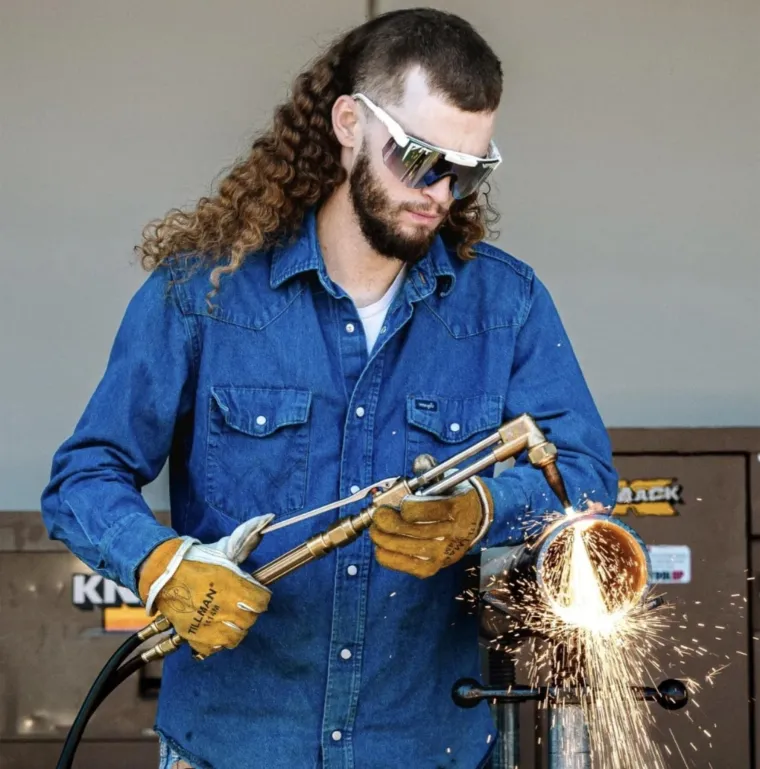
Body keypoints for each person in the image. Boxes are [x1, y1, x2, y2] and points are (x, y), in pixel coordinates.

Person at [41, 8, 618, 769]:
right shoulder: (203, 294)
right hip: (233, 747)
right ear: (349, 122)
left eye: (468, 169)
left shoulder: (503, 307)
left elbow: (584, 477)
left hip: (425, 748)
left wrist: (485, 508)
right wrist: (163, 565)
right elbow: (85, 476)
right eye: (419, 159)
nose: (441, 193)